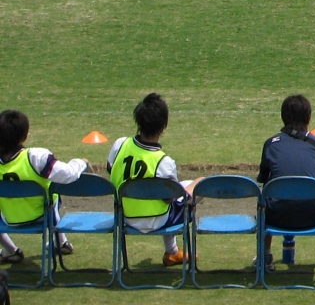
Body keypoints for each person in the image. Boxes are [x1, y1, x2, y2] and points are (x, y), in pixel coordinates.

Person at [108, 94, 200, 267]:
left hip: (124, 216)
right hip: (157, 220)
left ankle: (172, 253)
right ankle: (171, 251)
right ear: (163, 126)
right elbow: (168, 198)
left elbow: (110, 169)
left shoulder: (120, 144)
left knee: (178, 187)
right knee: (197, 185)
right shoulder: (164, 162)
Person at [0, 110, 88, 264]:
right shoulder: (36, 157)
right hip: (44, 216)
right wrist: (81, 162)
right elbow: (67, 174)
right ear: (24, 136)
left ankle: (10, 250)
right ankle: (60, 242)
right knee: (51, 195)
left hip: (8, 218)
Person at [257, 95, 315, 270]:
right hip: (313, 217)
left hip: (276, 217)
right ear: (309, 117)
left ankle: (265, 255)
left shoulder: (270, 144)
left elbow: (265, 181)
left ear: (283, 117)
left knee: (263, 200)